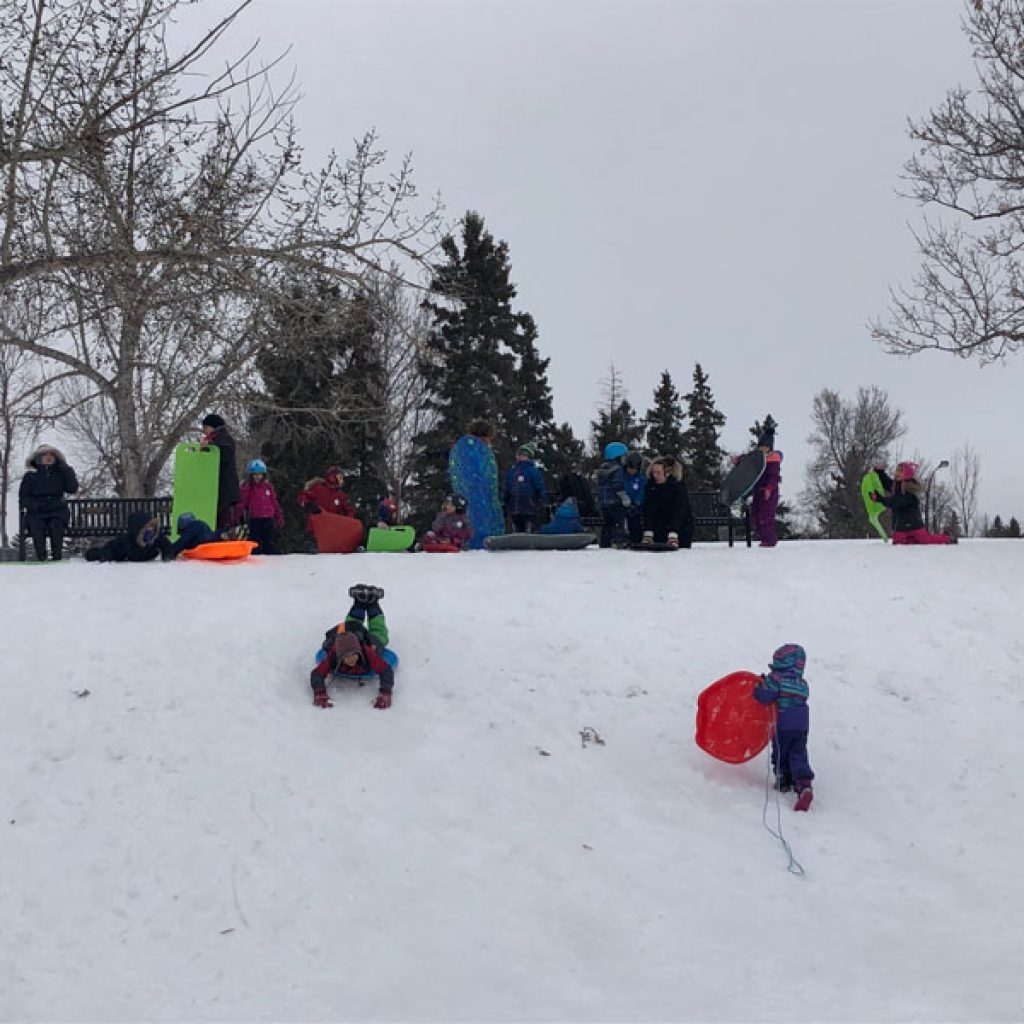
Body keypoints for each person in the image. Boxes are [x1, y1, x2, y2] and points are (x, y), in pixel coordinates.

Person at [310, 584, 395, 710]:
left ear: (359, 652)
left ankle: (373, 603)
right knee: (350, 624)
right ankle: (359, 602)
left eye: (354, 655)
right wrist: (319, 693)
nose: (351, 659)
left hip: (364, 640)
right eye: (346, 656)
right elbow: (317, 673)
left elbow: (385, 670)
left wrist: (385, 692)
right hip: (346, 632)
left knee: (379, 634)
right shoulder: (333, 656)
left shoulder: (367, 652)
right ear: (340, 656)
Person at [753, 643, 814, 811]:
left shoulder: (776, 679)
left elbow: (765, 696)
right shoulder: (803, 684)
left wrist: (758, 687)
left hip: (783, 724)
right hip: (802, 726)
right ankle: (804, 785)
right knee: (798, 753)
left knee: (781, 753)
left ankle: (783, 780)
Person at [870, 462, 955, 545]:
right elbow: (887, 483)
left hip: (914, 525)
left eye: (900, 471)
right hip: (900, 526)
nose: (897, 473)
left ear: (906, 474)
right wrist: (880, 472)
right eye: (897, 470)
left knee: (926, 540)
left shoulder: (910, 491)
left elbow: (896, 501)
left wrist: (879, 498)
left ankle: (947, 538)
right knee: (898, 543)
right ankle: (911, 539)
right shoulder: (896, 486)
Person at [19, 444, 79, 561]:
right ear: (38, 458)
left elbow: (72, 488)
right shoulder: (30, 476)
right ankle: (41, 557)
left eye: (51, 455)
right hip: (37, 511)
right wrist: (35, 505)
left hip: (57, 510)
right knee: (37, 526)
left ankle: (57, 556)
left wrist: (66, 469)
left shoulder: (61, 474)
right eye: (45, 454)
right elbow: (24, 497)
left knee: (56, 525)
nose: (49, 457)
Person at [641, 455, 695, 549]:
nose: (655, 475)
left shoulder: (677, 487)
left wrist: (674, 531)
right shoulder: (650, 487)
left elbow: (681, 510)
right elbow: (647, 509)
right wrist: (648, 529)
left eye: (658, 473)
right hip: (658, 528)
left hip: (678, 529)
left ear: (666, 473)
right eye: (653, 472)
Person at [199, 414, 241, 530]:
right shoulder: (218, 439)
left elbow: (224, 456)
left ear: (213, 427)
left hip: (225, 488)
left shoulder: (223, 439)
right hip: (220, 487)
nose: (204, 431)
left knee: (224, 520)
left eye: (206, 427)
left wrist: (209, 447)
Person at [84, 510, 171, 563]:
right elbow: (110, 550)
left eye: (152, 527)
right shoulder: (126, 542)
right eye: (147, 528)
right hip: (119, 552)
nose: (151, 530)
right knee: (101, 552)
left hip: (142, 555)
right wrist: (104, 556)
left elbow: (166, 545)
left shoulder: (155, 538)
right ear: (138, 530)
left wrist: (167, 555)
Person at [237, 459, 284, 555]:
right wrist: (239, 516)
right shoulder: (248, 488)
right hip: (255, 519)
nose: (257, 477)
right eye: (255, 475)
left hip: (268, 519)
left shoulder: (268, 487)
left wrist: (279, 516)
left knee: (270, 542)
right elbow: (243, 503)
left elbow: (274, 502)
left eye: (259, 474)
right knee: (256, 543)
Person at [503, 442, 547, 533]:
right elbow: (507, 489)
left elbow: (540, 488)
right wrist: (505, 502)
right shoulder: (512, 472)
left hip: (530, 508)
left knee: (529, 528)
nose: (521, 457)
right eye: (520, 454)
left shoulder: (533, 472)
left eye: (524, 455)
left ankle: (530, 537)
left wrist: (540, 502)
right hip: (515, 508)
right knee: (517, 528)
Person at [751, 428, 783, 548]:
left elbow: (773, 476)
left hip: (769, 492)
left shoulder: (773, 460)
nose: (763, 449)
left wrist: (769, 488)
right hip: (758, 491)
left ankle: (770, 540)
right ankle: (763, 538)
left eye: (765, 446)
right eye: (761, 446)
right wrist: (738, 461)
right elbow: (746, 462)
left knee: (766, 516)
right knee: (755, 516)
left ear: (770, 447)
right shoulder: (757, 459)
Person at [595, 441, 630, 548]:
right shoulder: (617, 470)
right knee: (619, 522)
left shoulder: (602, 470)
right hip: (615, 502)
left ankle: (605, 543)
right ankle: (620, 541)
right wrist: (624, 497)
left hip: (603, 503)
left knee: (607, 524)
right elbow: (618, 484)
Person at [622, 451, 646, 544]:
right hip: (624, 506)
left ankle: (636, 541)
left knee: (635, 524)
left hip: (636, 507)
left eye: (634, 469)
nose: (632, 471)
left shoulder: (640, 479)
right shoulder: (622, 477)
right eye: (630, 468)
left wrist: (637, 503)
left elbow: (642, 491)